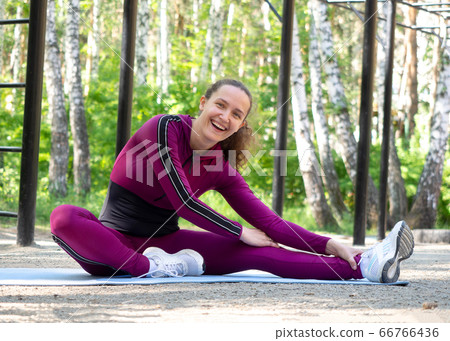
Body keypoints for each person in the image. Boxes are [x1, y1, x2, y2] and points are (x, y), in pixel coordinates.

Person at [50, 79, 414, 283]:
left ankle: (366, 265)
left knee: (264, 252)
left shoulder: (221, 167)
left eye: (236, 114)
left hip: (169, 243)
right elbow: (182, 202)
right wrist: (238, 231)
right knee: (64, 216)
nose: (225, 116)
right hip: (111, 245)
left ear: (240, 125)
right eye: (220, 105)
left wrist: (330, 243)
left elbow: (269, 222)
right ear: (203, 103)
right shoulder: (162, 128)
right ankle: (153, 268)